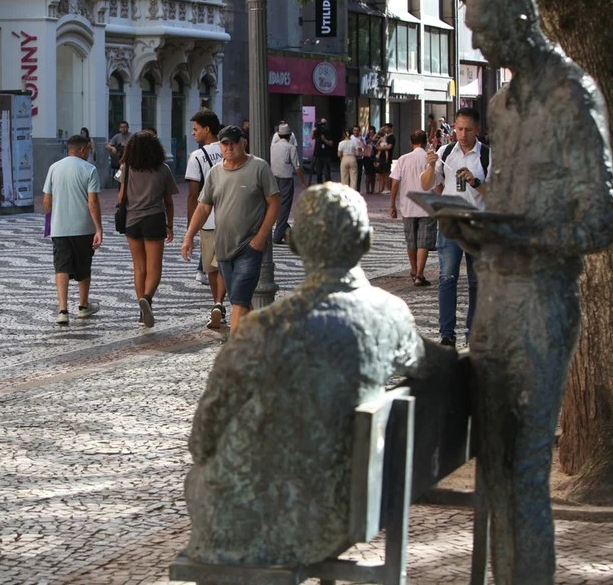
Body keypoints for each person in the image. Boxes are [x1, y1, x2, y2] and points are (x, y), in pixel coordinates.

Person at [184, 183, 457, 568]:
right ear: (366, 241)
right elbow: (442, 365)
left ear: (294, 245)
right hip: (352, 510)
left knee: (199, 479)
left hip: (269, 525)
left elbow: (202, 439)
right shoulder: (391, 315)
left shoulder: (262, 329)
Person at [446, 0, 613, 585]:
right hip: (493, 300)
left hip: (543, 301)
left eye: (486, 32)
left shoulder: (572, 95)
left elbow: (599, 219)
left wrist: (520, 237)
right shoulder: (500, 107)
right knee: (495, 468)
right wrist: (477, 227)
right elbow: (507, 200)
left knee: (526, 469)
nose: (481, 45)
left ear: (520, 21)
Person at [181, 125, 279, 334]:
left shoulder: (259, 168)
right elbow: (203, 207)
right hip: (224, 246)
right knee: (238, 298)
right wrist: (188, 236)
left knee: (240, 296)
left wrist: (261, 237)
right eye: (224, 143)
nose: (229, 147)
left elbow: (275, 203)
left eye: (233, 143)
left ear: (243, 143)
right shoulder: (215, 173)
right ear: (220, 145)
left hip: (250, 246)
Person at [419, 107, 491, 346]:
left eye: (468, 129)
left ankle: (474, 335)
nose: (462, 134)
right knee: (447, 277)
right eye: (459, 128)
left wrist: (475, 181)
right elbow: (427, 184)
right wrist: (430, 166)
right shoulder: (445, 151)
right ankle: (447, 334)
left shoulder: (488, 156)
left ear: (477, 130)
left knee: (476, 282)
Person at [119, 130, 179, 328]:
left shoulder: (126, 168)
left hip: (132, 221)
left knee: (139, 267)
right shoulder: (163, 169)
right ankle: (147, 298)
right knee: (154, 268)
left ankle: (141, 310)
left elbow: (121, 198)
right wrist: (169, 224)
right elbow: (169, 202)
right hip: (154, 219)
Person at [43, 134, 103, 325]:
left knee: (61, 266)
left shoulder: (54, 168)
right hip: (83, 227)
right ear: (83, 150)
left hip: (59, 228)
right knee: (84, 267)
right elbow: (92, 202)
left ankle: (63, 310)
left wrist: (50, 220)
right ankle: (83, 306)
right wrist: (98, 228)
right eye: (88, 150)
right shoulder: (90, 169)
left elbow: (46, 201)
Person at [185, 108, 227, 329]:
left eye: (195, 129)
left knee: (210, 268)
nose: (193, 134)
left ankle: (217, 303)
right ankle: (222, 303)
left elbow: (193, 194)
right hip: (231, 217)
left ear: (207, 129)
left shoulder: (197, 156)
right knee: (224, 266)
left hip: (208, 220)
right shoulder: (230, 149)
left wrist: (191, 226)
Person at [389, 129, 437, 286]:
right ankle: (419, 275)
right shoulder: (430, 159)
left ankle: (413, 269)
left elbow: (395, 182)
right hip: (426, 205)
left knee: (411, 241)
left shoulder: (403, 159)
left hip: (408, 206)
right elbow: (437, 183)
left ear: (411, 142)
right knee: (423, 241)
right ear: (425, 142)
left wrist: (392, 205)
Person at [270, 122, 306, 245]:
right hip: (286, 179)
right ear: (290, 135)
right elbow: (297, 167)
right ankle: (278, 236)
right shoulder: (290, 148)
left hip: (273, 178)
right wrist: (303, 182)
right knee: (284, 208)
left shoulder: (273, 147)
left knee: (276, 207)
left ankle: (287, 232)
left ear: (279, 135)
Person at [310, 118, 333, 184]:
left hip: (326, 155)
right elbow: (312, 137)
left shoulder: (327, 131)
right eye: (321, 124)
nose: (322, 126)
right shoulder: (317, 131)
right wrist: (314, 130)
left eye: (323, 124)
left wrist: (324, 139)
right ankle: (320, 188)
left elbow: (331, 143)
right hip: (317, 155)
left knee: (327, 174)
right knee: (319, 174)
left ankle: (327, 188)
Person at [375, 123, 395, 193]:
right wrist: (379, 130)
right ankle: (382, 188)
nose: (385, 129)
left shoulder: (391, 137)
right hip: (381, 158)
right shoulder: (384, 137)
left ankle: (388, 188)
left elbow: (389, 147)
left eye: (387, 128)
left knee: (387, 173)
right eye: (385, 128)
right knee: (381, 173)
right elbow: (374, 139)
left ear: (390, 128)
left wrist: (379, 148)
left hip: (387, 158)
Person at [362, 125, 378, 194]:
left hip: (374, 157)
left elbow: (376, 142)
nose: (371, 133)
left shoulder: (377, 138)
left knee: (373, 175)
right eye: (370, 131)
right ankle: (367, 190)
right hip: (367, 158)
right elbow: (366, 143)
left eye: (372, 131)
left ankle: (373, 189)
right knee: (368, 174)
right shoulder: (366, 138)